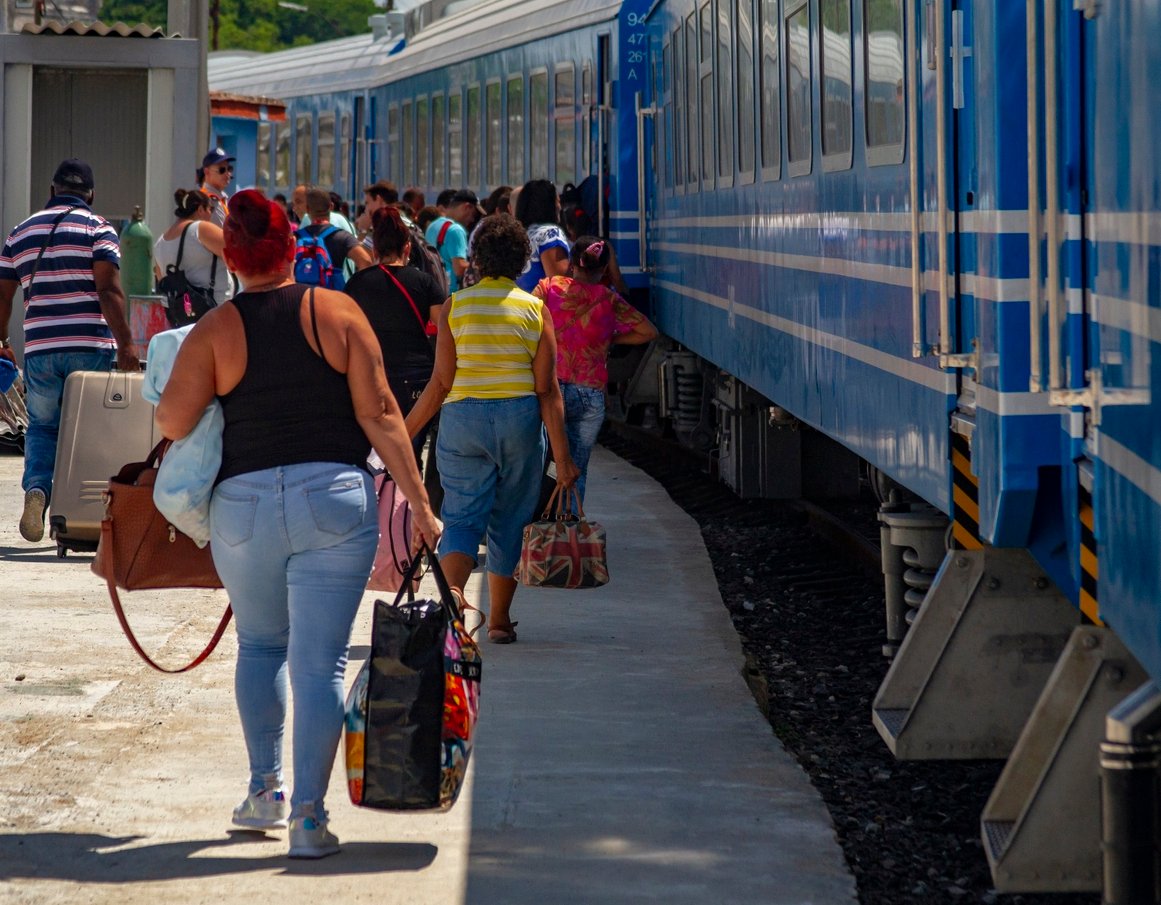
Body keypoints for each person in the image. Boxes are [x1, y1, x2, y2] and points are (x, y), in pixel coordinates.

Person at [155, 189, 440, 859]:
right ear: (292, 248)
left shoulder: (217, 328)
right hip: (334, 501)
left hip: (245, 508)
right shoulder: (336, 311)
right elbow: (380, 415)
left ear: (234, 255)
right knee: (321, 664)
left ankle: (265, 789)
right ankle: (309, 821)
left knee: (259, 646)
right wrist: (421, 505)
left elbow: (170, 422)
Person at [405, 215, 578, 645]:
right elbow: (547, 390)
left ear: (477, 260)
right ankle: (499, 622)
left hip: (464, 421)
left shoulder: (455, 307)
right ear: (524, 262)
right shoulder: (534, 309)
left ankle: (456, 595)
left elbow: (441, 382)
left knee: (461, 517)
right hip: (519, 420)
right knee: (511, 521)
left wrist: (403, 433)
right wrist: (563, 458)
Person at [0, 158, 139, 542]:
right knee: (90, 431)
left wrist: (3, 343)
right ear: (90, 194)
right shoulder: (99, 229)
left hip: (41, 347)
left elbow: (2, 296)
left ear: (52, 190)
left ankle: (37, 492)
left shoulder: (21, 232)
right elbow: (108, 290)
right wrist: (126, 344)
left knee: (43, 427)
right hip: (89, 346)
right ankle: (84, 515)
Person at [533, 237, 657, 504]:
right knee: (577, 466)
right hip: (589, 394)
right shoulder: (609, 299)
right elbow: (648, 331)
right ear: (603, 270)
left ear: (572, 265)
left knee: (546, 462)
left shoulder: (549, 287)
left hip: (549, 390)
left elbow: (525, 320)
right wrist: (609, 339)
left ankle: (539, 528)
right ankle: (569, 530)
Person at [343, 206, 445, 457]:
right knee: (410, 450)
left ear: (375, 250)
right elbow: (447, 330)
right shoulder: (424, 283)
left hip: (372, 376)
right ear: (407, 248)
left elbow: (345, 334)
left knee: (375, 451)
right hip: (417, 378)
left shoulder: (357, 284)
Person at [153, 189, 232, 308]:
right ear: (200, 209)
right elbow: (236, 252)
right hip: (213, 311)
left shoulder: (160, 243)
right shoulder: (201, 229)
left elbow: (161, 278)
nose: (211, 214)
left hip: (180, 316)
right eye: (211, 209)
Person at [296, 187, 373, 285]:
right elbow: (365, 261)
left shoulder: (296, 238)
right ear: (331, 206)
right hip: (333, 296)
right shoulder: (342, 237)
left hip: (303, 297)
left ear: (307, 209)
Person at [515, 179, 570, 292]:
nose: (559, 206)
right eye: (557, 201)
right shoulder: (550, 234)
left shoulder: (519, 234)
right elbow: (561, 286)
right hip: (541, 307)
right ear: (549, 205)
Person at [424, 196, 468, 292]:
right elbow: (459, 268)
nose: (473, 219)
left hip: (434, 289)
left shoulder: (432, 226)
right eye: (473, 214)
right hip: (451, 293)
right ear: (466, 207)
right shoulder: (456, 230)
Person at [197, 148, 235, 227]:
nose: (227, 173)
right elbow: (222, 234)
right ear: (207, 172)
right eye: (222, 170)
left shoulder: (222, 197)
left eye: (229, 169)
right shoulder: (208, 199)